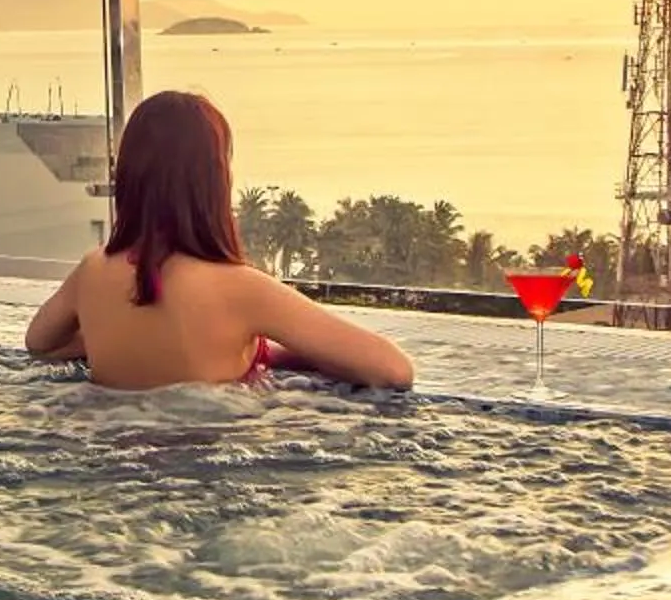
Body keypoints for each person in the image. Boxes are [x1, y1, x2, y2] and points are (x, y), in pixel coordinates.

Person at [26, 91, 414, 391]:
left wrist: (109, 338)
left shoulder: (92, 271)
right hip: (206, 467)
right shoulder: (239, 289)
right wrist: (269, 353)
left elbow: (39, 343)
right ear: (214, 180)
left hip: (109, 459)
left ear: (129, 175)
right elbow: (393, 370)